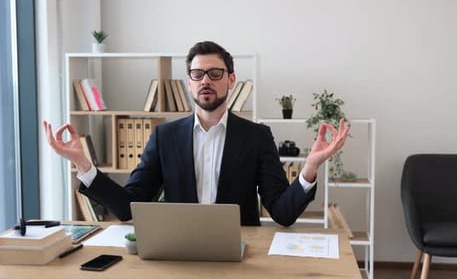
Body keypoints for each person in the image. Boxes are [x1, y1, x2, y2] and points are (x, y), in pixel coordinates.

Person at [43, 41, 350, 227]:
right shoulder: (165, 137)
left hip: (240, 253)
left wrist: (310, 168)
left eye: (215, 74)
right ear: (188, 82)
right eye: (197, 74)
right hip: (181, 254)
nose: (206, 81)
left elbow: (282, 213)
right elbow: (128, 207)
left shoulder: (256, 137)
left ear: (230, 80)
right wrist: (84, 165)